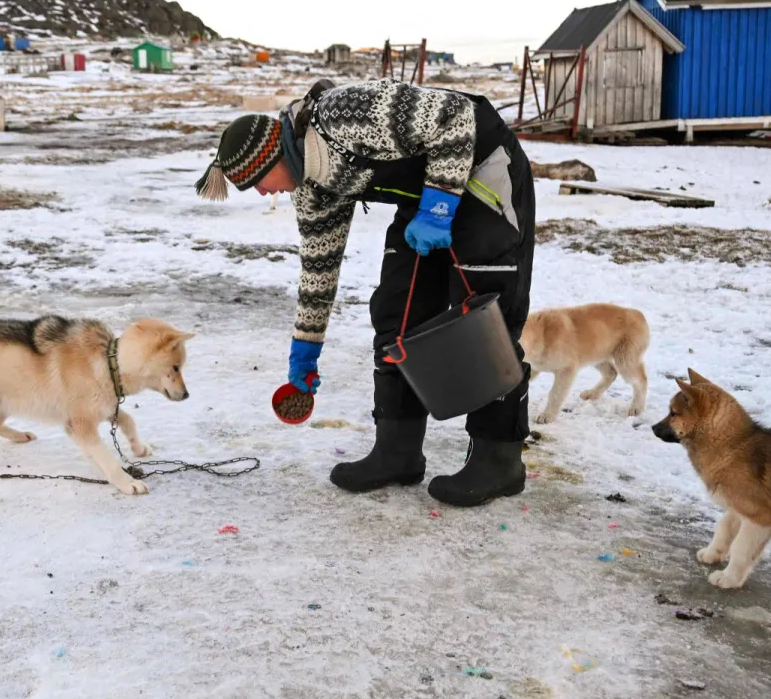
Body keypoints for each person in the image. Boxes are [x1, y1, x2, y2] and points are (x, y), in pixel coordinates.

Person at [196, 78, 536, 507]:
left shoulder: (342, 114)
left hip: (485, 171)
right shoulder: (313, 190)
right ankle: (397, 451)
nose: (263, 193)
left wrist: (436, 209)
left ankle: (499, 458)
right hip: (428, 191)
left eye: (258, 182)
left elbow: (454, 117)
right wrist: (306, 350)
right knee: (398, 310)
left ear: (273, 156)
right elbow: (319, 271)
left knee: (486, 318)